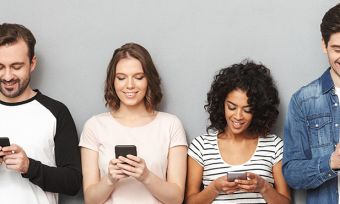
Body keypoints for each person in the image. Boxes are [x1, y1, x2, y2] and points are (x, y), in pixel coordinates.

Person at [79, 42, 187, 204]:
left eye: (138, 77)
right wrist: (110, 179)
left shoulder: (170, 124)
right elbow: (90, 199)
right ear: (112, 82)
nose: (130, 85)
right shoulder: (94, 126)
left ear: (149, 80)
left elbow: (176, 198)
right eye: (121, 78)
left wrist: (146, 176)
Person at [186, 61, 291, 203]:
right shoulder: (201, 146)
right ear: (221, 103)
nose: (238, 116)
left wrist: (263, 187)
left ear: (258, 110)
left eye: (247, 110)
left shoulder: (274, 145)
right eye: (231, 107)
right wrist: (215, 188)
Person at [0, 23, 81, 204]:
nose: (7, 76)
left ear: (32, 63)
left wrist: (29, 166)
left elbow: (73, 182)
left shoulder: (56, 112)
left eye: (16, 66)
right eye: (0, 67)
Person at [283, 3, 340, 204]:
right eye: (337, 49)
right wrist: (331, 163)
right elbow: (291, 173)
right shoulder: (303, 101)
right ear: (324, 46)